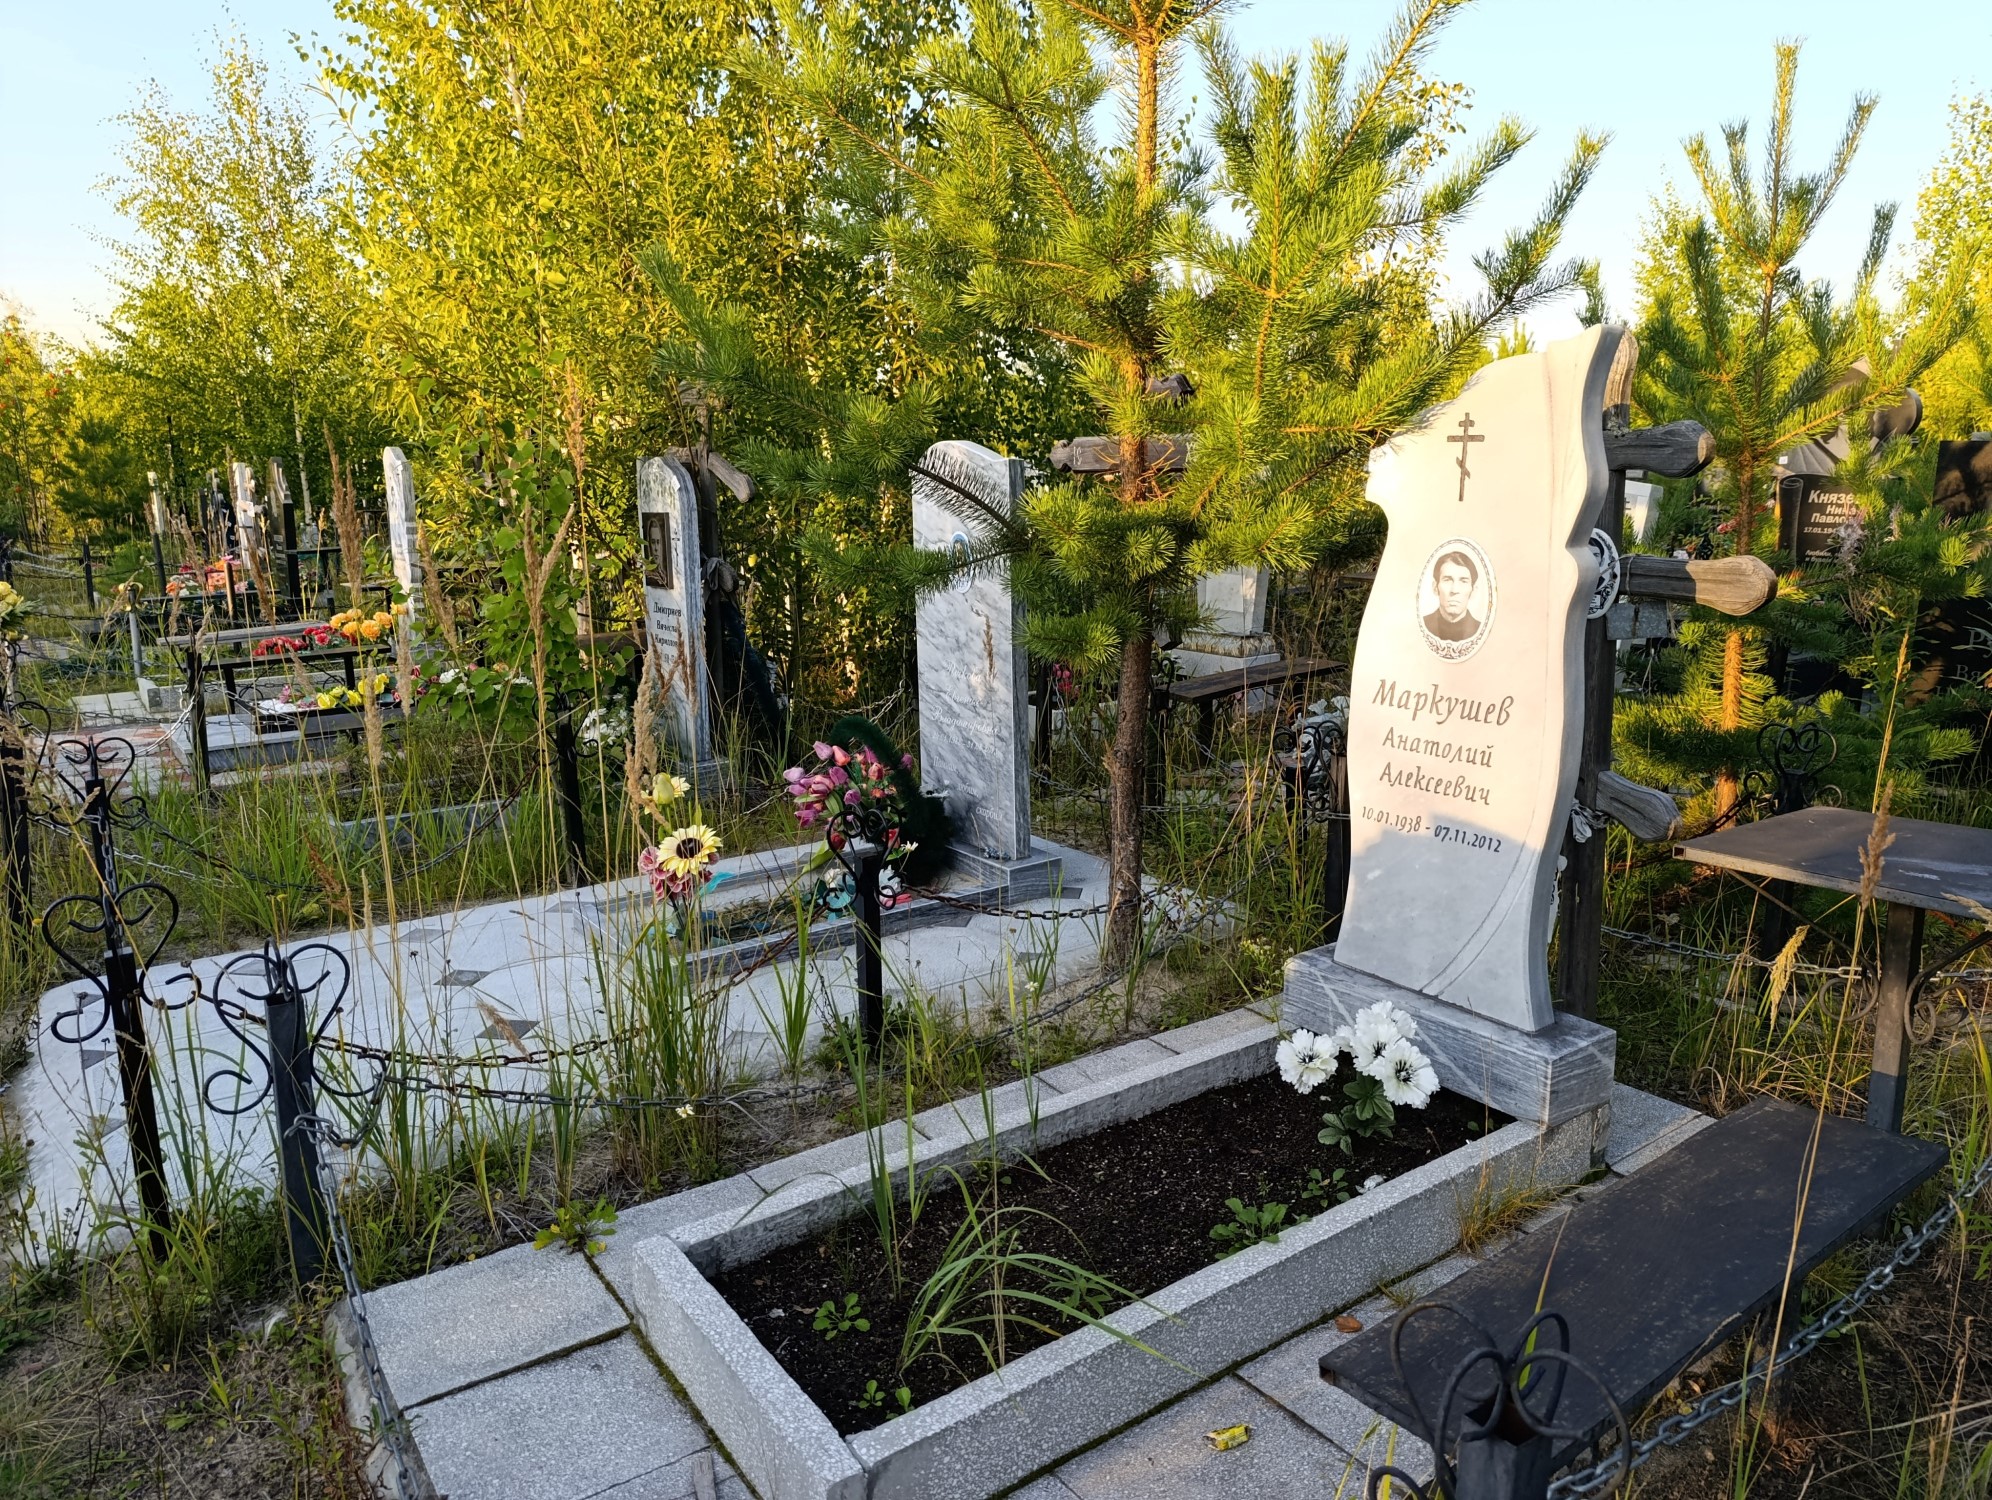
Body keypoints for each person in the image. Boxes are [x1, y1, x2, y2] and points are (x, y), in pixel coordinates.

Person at [1423, 550, 1481, 641]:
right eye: (1447, 580)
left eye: (1463, 581)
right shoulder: (1422, 627)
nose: (1454, 590)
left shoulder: (1481, 631)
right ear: (1435, 588)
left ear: (1473, 591)